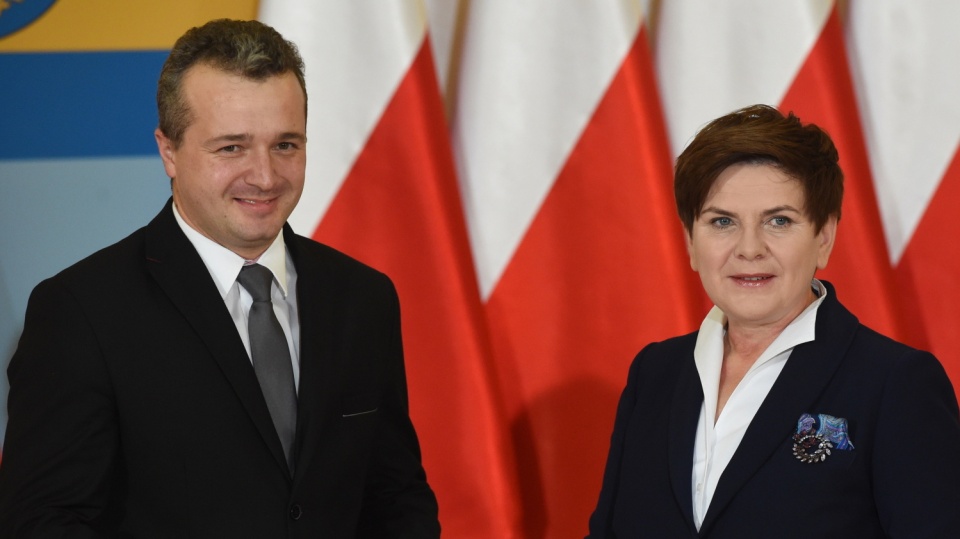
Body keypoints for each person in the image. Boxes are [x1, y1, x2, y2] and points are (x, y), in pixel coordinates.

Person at [0, 19, 439, 537]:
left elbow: (394, 498)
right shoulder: (82, 311)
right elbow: (42, 522)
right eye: (231, 147)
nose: (265, 176)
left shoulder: (362, 299)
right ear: (169, 151)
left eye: (286, 145)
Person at [587, 104, 960, 538]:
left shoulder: (895, 383)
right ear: (691, 240)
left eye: (778, 221)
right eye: (722, 222)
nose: (749, 249)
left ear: (824, 237)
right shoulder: (655, 374)